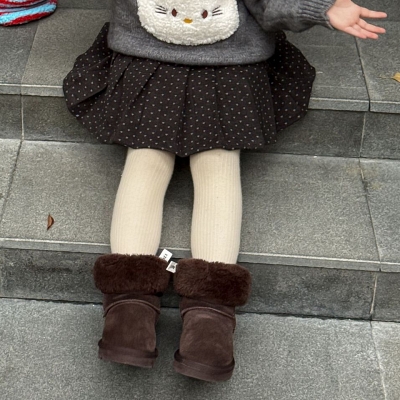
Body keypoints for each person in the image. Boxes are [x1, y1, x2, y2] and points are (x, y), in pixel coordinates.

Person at [63, 0, 386, 382]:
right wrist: (319, 9)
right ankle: (209, 323)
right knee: (217, 166)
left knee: (145, 162)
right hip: (230, 70)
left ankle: (128, 316)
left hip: (147, 63)